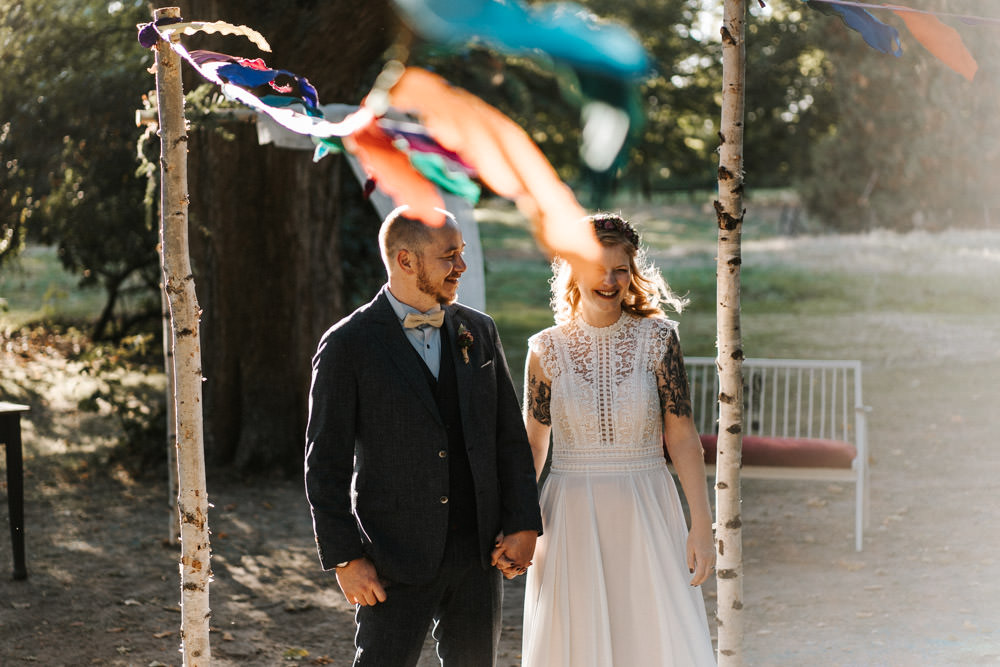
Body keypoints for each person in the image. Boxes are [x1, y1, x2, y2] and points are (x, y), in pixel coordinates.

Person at [304, 205, 542, 666]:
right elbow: (324, 463)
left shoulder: (479, 330)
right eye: (448, 256)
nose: (462, 267)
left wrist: (522, 522)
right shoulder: (347, 344)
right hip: (393, 558)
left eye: (462, 253)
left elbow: (508, 438)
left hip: (479, 557)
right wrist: (345, 559)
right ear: (406, 261)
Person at [520, 212, 716, 666]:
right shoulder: (545, 350)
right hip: (569, 514)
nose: (608, 281)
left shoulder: (658, 340)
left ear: (633, 273)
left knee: (649, 636)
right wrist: (519, 522)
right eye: (595, 268)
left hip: (647, 505)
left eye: (620, 269)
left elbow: (683, 437)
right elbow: (533, 445)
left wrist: (701, 525)